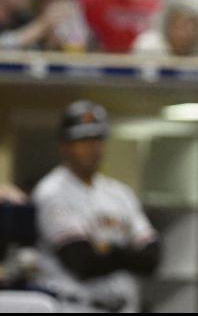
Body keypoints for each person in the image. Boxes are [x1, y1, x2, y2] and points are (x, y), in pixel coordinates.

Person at [32, 100, 160, 312]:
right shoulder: (52, 192)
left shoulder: (119, 193)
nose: (91, 147)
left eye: (96, 139)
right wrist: (126, 252)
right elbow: (83, 262)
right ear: (65, 145)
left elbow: (152, 258)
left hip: (124, 306)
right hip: (74, 306)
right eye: (82, 140)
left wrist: (107, 250)